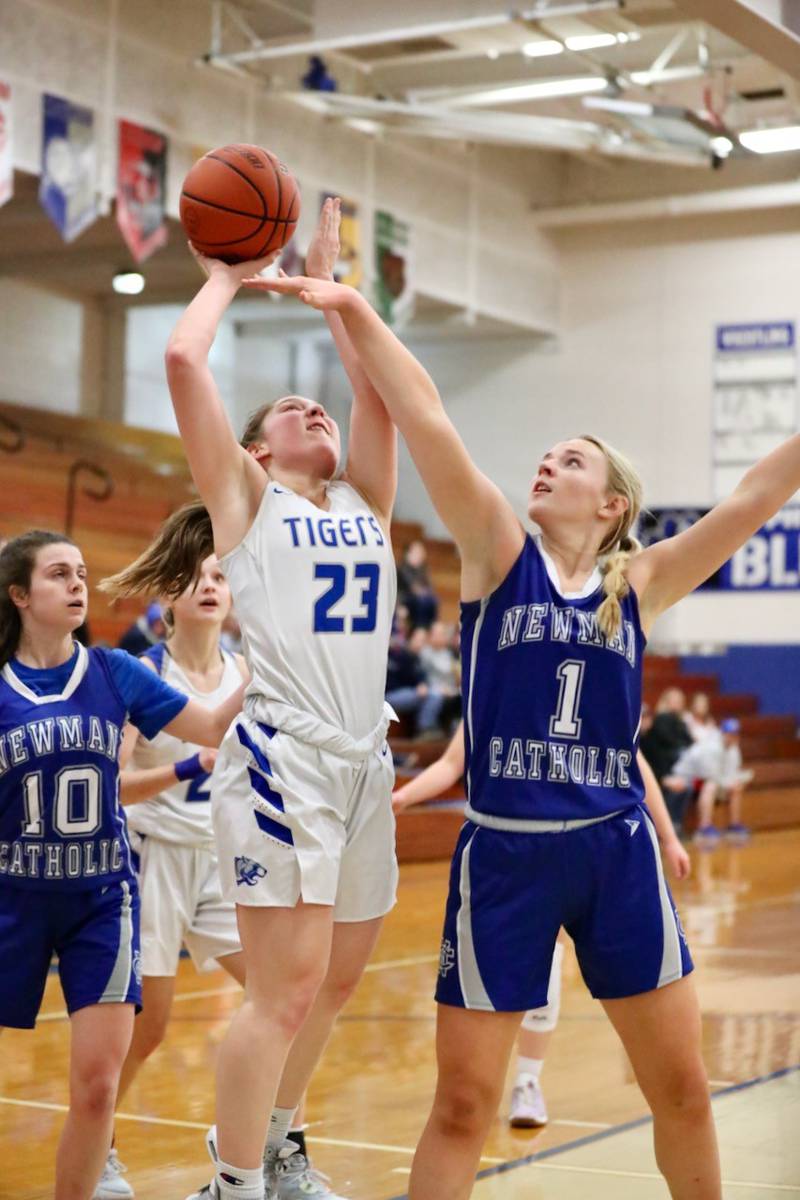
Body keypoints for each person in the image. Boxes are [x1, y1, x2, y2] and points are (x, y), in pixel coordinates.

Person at [257, 264, 800, 1200]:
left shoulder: (643, 583)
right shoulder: (496, 551)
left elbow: (754, 498)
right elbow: (426, 415)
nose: (548, 464)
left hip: (615, 852)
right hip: (503, 857)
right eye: (545, 456)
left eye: (572, 461)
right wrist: (351, 306)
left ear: (612, 506)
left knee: (682, 1090)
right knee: (464, 1105)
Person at [101, 197, 398, 1200]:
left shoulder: (364, 498)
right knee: (281, 993)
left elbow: (379, 398)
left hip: (363, 757)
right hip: (283, 759)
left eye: (320, 407)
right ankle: (232, 1185)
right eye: (290, 411)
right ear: (258, 451)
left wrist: (335, 297)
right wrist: (228, 272)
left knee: (334, 984)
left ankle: (275, 1149)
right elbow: (186, 364)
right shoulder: (248, 502)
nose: (316, 411)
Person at [0, 530, 246, 1200]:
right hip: (12, 898)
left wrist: (279, 660)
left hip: (102, 899)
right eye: (58, 574)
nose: (77, 583)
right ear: (20, 594)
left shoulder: (114, 671)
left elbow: (212, 726)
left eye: (82, 572)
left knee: (98, 1086)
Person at [393, 724, 690, 1128]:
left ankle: (528, 1081)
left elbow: (634, 761)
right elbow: (451, 762)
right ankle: (500, 1085)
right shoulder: (496, 690)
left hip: (591, 847)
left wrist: (669, 837)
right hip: (514, 849)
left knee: (552, 958)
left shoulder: (593, 689)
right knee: (526, 973)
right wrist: (404, 796)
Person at [93, 554, 249, 1200]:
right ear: (167, 600)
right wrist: (186, 770)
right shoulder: (147, 675)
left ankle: (260, 1145)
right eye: (194, 579)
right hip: (152, 858)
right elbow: (111, 786)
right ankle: (98, 1143)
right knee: (149, 1026)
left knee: (280, 997)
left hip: (223, 860)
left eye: (218, 577)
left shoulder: (245, 670)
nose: (209, 587)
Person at [397, 539, 439, 629]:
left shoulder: (423, 570)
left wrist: (427, 592)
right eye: (417, 552)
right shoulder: (402, 568)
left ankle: (431, 627)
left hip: (418, 599)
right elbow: (412, 587)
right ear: (408, 553)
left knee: (433, 600)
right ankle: (419, 628)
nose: (420, 555)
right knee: (422, 601)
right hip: (405, 600)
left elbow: (429, 587)